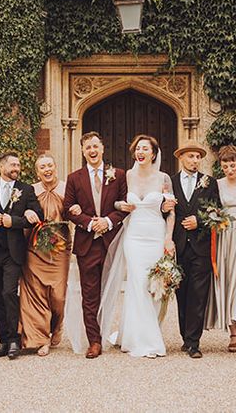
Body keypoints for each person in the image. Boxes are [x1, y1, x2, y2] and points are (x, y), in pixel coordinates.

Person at [100, 134, 175, 358]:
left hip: (155, 234)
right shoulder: (126, 176)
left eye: (145, 148)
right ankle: (144, 340)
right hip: (133, 236)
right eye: (138, 148)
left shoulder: (163, 179)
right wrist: (121, 205)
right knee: (136, 282)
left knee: (152, 284)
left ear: (154, 153)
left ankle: (138, 332)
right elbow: (111, 201)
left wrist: (168, 239)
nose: (140, 152)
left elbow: (170, 212)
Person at [63, 131, 128, 359]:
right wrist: (90, 223)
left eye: (95, 146)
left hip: (112, 243)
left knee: (110, 290)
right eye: (87, 147)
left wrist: (108, 221)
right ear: (82, 151)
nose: (92, 151)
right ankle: (94, 341)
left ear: (102, 149)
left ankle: (113, 331)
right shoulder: (74, 178)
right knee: (89, 294)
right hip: (87, 243)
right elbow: (67, 208)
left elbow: (124, 205)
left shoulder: (118, 175)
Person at [0, 151, 43, 360]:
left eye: (18, 165)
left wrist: (14, 221)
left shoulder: (26, 189)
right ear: (1, 166)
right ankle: (3, 340)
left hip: (13, 252)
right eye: (13, 165)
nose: (16, 168)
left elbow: (37, 215)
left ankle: (15, 339)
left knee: (8, 292)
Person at [164, 139, 220, 358]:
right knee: (182, 293)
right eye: (191, 156)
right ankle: (184, 336)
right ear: (181, 158)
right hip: (179, 246)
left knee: (198, 294)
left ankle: (194, 342)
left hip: (201, 246)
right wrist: (163, 206)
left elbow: (217, 211)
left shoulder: (209, 182)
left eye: (198, 157)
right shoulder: (171, 182)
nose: (195, 160)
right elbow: (164, 212)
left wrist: (199, 220)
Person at [19, 153, 71, 356]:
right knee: (36, 293)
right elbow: (21, 211)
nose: (47, 169)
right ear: (37, 171)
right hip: (35, 247)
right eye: (42, 167)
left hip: (60, 247)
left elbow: (76, 212)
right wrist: (25, 213)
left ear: (56, 167)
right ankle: (40, 338)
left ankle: (57, 326)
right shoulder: (31, 190)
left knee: (58, 294)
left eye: (50, 165)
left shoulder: (67, 188)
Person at [206, 144, 236, 352]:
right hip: (224, 235)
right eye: (225, 166)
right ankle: (232, 329)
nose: (229, 169)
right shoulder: (216, 185)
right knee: (226, 280)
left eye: (232, 165)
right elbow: (212, 207)